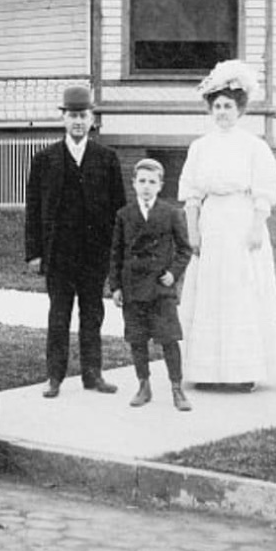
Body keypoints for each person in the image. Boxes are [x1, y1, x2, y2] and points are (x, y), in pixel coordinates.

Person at [177, 59, 276, 391]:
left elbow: (265, 192)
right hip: (212, 224)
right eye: (217, 106)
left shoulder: (253, 146)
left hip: (241, 223)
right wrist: (193, 232)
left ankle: (243, 371)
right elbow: (191, 194)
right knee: (209, 295)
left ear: (240, 110)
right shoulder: (200, 147)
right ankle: (207, 371)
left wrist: (256, 227)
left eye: (228, 106)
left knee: (241, 293)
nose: (222, 112)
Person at [25, 85, 126, 398]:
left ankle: (93, 375)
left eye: (83, 116)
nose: (78, 121)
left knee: (92, 314)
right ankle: (54, 377)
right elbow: (33, 209)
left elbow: (119, 211)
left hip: (94, 254)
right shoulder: (45, 159)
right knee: (59, 315)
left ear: (92, 119)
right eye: (72, 116)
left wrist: (115, 255)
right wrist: (34, 253)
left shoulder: (107, 159)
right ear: (64, 119)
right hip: (59, 254)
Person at [109, 158, 193, 410]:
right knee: (137, 339)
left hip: (160, 287)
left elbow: (184, 250)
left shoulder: (171, 213)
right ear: (134, 183)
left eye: (152, 182)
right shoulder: (124, 215)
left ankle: (177, 388)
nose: (146, 186)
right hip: (133, 286)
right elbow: (116, 253)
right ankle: (143, 385)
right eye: (142, 181)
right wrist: (116, 286)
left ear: (160, 185)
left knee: (169, 339)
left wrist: (173, 274)